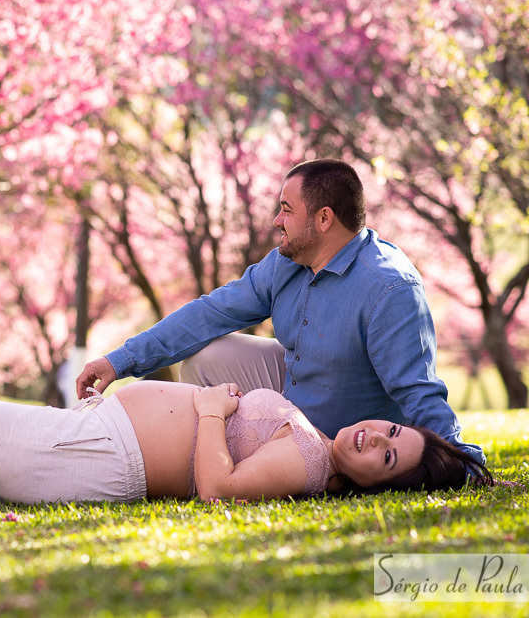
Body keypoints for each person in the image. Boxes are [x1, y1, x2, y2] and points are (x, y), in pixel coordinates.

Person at [76, 158, 486, 467]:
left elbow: (418, 389)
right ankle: (210, 453)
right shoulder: (285, 264)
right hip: (293, 389)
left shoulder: (389, 288)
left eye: (287, 210)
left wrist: (463, 463)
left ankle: (246, 461)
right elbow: (209, 313)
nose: (276, 221)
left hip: (343, 433)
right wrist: (120, 360)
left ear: (324, 219)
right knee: (206, 354)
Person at [0, 380, 492, 512]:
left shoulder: (311, 464)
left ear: (374, 483)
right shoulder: (318, 437)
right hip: (97, 437)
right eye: (392, 429)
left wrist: (215, 414)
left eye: (386, 456)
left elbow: (216, 489)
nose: (375, 438)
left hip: (104, 457)